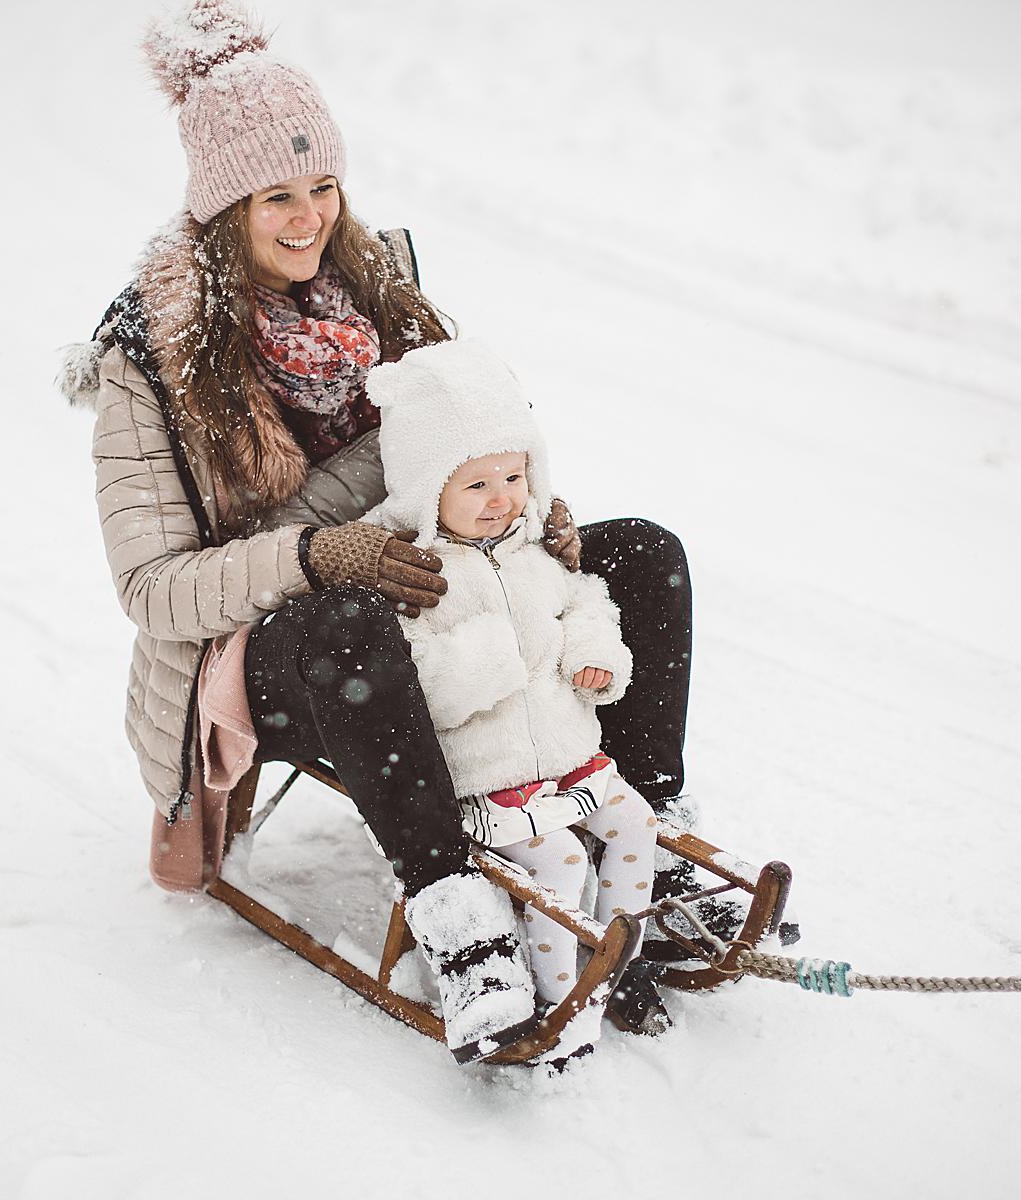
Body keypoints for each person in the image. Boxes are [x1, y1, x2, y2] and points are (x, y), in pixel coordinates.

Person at [58, 0, 699, 1062]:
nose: (307, 217)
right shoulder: (152, 358)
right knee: (349, 617)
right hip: (285, 644)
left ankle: (649, 832)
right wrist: (312, 553)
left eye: (322, 187)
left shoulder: (379, 285)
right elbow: (154, 588)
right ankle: (458, 919)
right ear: (224, 208)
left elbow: (482, 420)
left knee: (643, 554)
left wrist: (531, 505)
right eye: (275, 196)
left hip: (445, 589)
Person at [367, 339, 661, 1063]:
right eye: (475, 485)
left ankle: (619, 962)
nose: (501, 499)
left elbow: (584, 602)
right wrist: (492, 656)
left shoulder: (533, 553)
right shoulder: (420, 576)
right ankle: (563, 998)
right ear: (425, 488)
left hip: (569, 755)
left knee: (636, 822)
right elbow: (418, 685)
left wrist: (592, 654)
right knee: (560, 859)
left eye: (513, 476)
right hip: (491, 778)